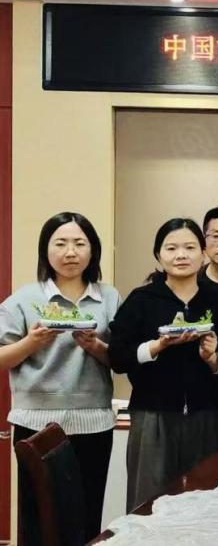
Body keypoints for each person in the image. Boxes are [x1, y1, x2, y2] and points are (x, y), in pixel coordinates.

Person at [0, 212, 119, 542]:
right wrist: (32, 342)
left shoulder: (109, 297)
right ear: (45, 250)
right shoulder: (25, 299)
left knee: (87, 515)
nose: (70, 252)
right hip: (35, 422)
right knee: (38, 518)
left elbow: (120, 359)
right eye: (61, 243)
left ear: (92, 250)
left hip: (93, 421)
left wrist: (95, 345)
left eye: (80, 243)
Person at [108, 218, 218, 511]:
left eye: (189, 247)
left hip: (206, 416)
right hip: (151, 415)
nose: (181, 255)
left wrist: (213, 359)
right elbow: (117, 357)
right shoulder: (142, 299)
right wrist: (156, 347)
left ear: (203, 254)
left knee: (204, 503)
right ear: (158, 255)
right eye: (171, 248)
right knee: (147, 503)